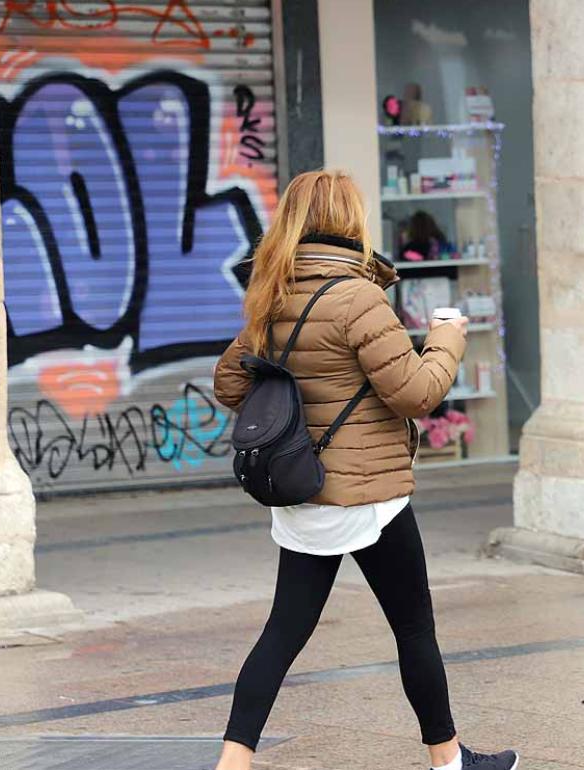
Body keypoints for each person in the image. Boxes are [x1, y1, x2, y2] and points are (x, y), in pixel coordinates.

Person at [212, 170, 518, 770]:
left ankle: (232, 762)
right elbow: (415, 393)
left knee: (282, 633)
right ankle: (448, 762)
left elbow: (229, 384)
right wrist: (447, 340)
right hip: (371, 496)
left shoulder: (271, 294)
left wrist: (293, 386)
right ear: (349, 220)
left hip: (302, 491)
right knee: (414, 629)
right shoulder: (358, 297)